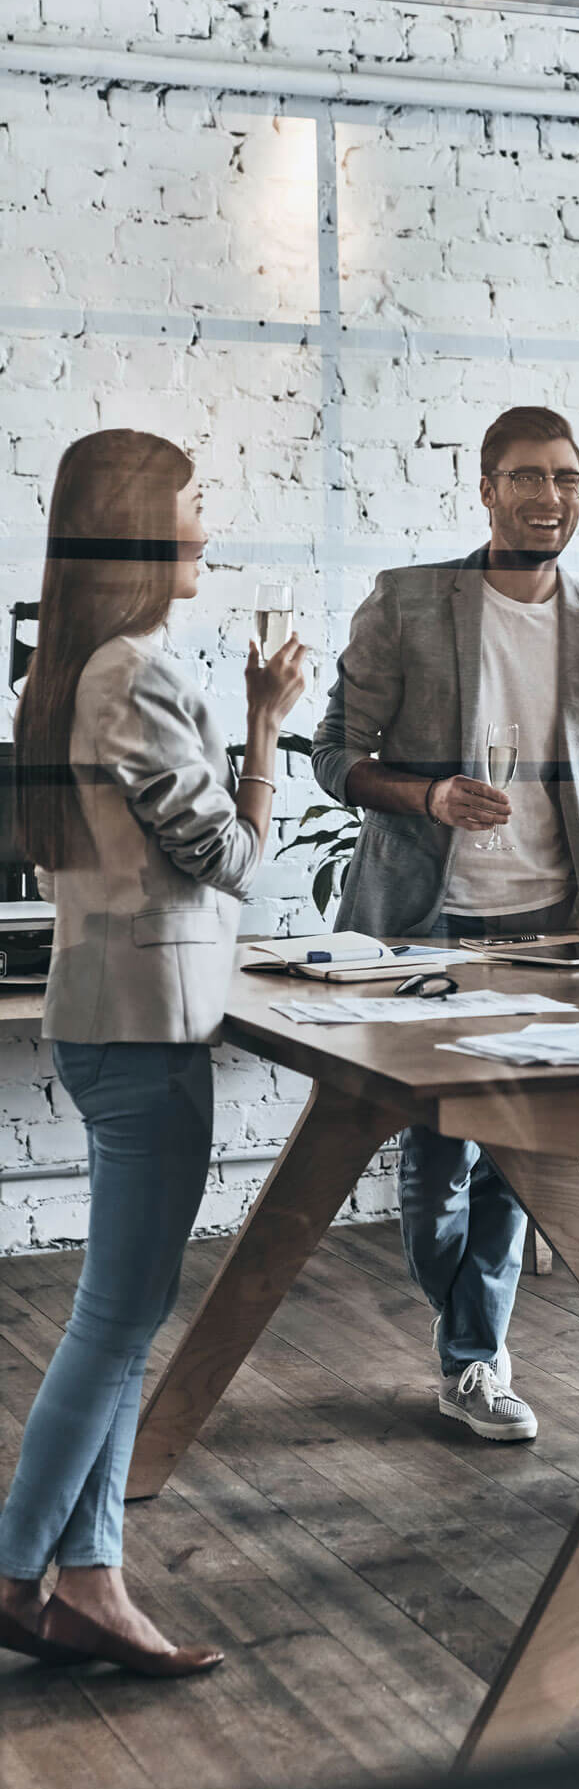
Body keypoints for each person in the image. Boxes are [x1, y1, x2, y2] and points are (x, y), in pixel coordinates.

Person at [0, 429, 304, 1675]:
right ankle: (21, 1569)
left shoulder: (76, 667)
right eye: (191, 503)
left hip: (110, 1015)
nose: (205, 528)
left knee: (124, 1315)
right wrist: (265, 724)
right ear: (136, 528)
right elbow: (230, 858)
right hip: (143, 1025)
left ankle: (91, 1577)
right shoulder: (136, 674)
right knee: (117, 1316)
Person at [312, 406, 579, 1443]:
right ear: (486, 487)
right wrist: (427, 795)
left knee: (518, 1155)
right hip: (427, 927)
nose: (549, 497)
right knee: (433, 1159)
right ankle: (460, 1315)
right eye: (527, 477)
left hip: (550, 926)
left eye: (568, 478)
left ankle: (472, 1358)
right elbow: (334, 754)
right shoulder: (410, 602)